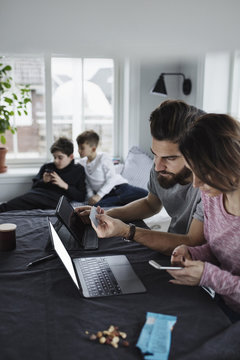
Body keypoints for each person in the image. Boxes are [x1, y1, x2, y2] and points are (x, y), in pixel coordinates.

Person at [76, 100, 205, 255]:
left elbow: (193, 243)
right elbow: (151, 204)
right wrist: (106, 215)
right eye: (155, 154)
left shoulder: (209, 187)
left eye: (169, 158)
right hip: (170, 256)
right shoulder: (159, 166)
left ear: (195, 154)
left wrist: (126, 231)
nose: (157, 167)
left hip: (192, 263)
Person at [168, 113, 240, 322]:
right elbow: (222, 248)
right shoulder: (213, 196)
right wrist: (192, 252)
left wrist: (208, 276)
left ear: (230, 164)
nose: (196, 184)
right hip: (222, 306)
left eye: (204, 173)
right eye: (192, 172)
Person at [0, 137, 86, 212]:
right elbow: (34, 187)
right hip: (36, 197)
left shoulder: (78, 170)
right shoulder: (47, 167)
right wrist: (43, 181)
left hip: (56, 201)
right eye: (54, 157)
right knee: (6, 207)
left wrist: (64, 185)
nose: (56, 161)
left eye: (60, 157)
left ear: (71, 157)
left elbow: (81, 197)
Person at [76, 130, 148, 207]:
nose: (78, 150)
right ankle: (122, 202)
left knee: (147, 195)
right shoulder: (82, 163)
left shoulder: (103, 157)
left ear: (93, 149)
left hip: (120, 188)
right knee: (95, 206)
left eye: (82, 148)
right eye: (78, 147)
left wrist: (99, 195)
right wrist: (91, 197)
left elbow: (112, 179)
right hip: (106, 195)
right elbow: (87, 183)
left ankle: (122, 201)